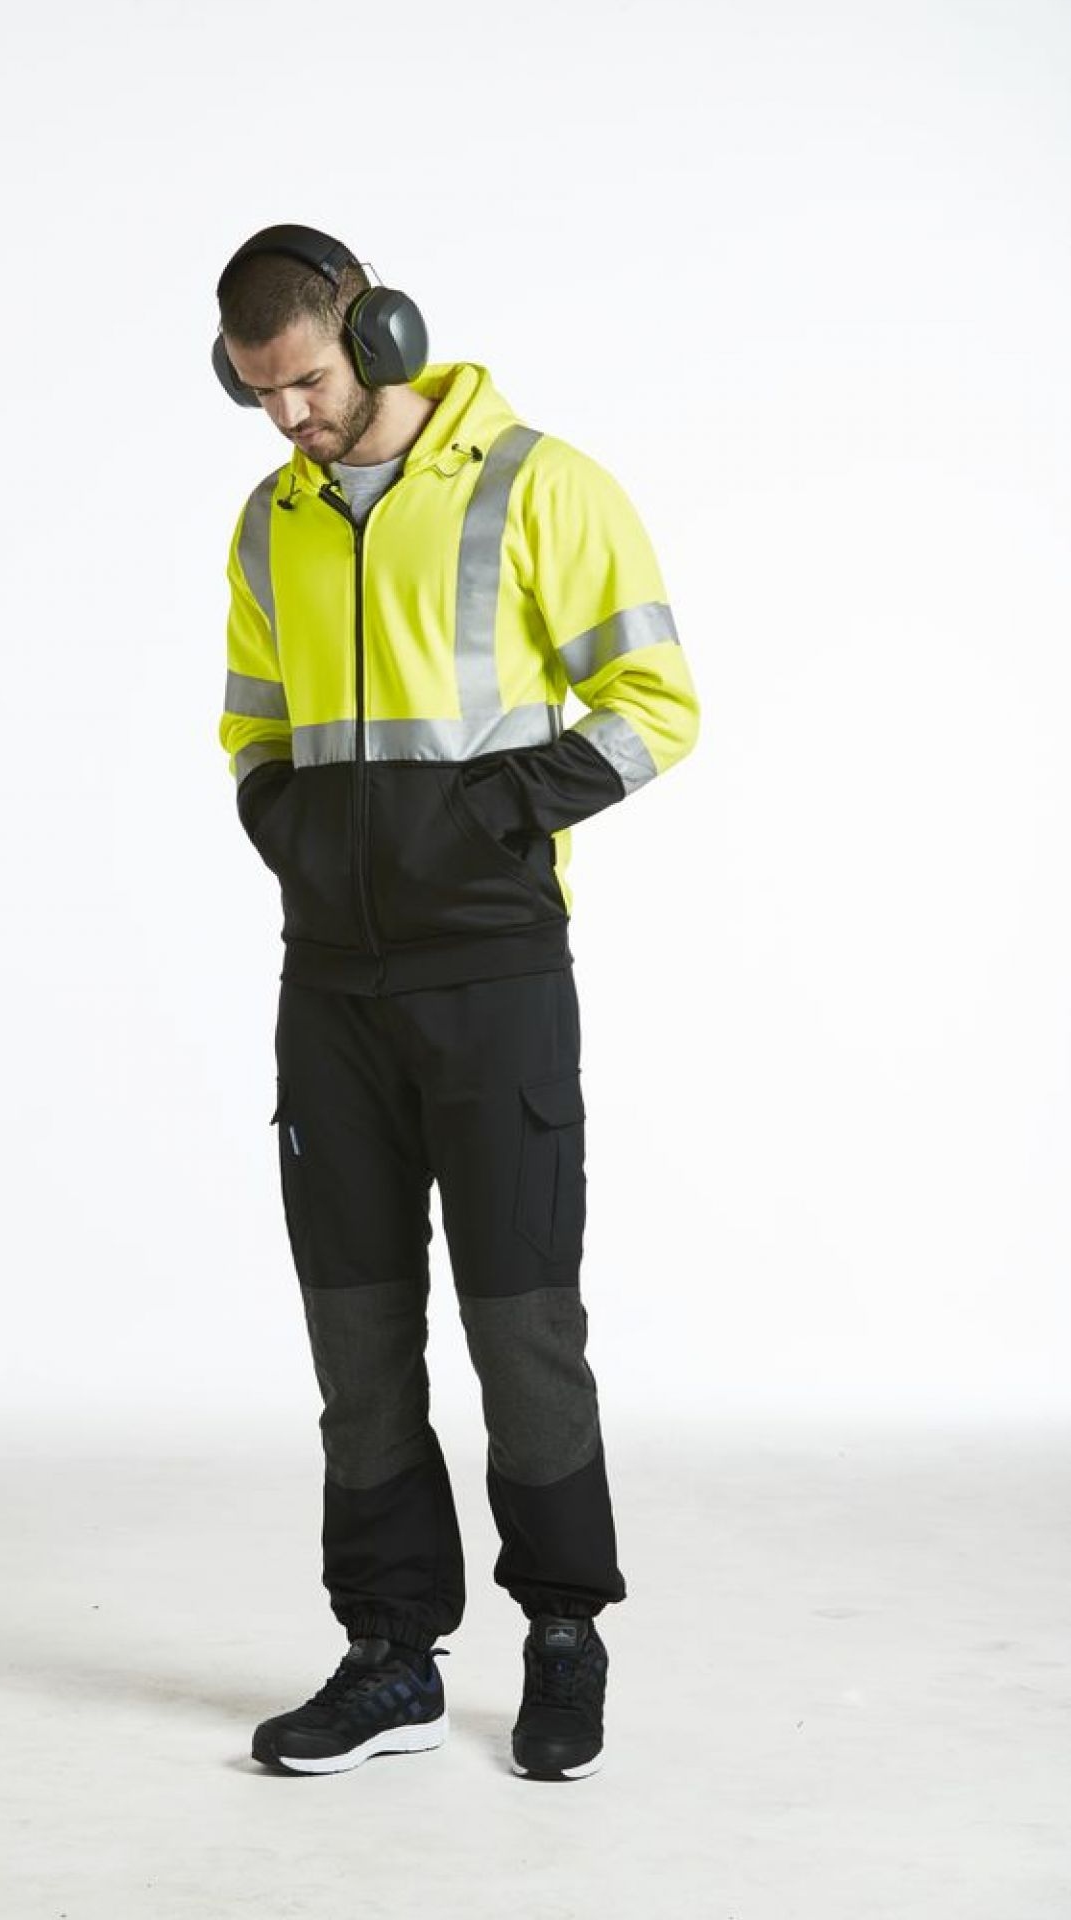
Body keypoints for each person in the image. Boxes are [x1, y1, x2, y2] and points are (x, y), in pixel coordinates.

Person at [213, 223, 700, 1780]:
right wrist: (289, 827)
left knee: (520, 1322)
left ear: (379, 330)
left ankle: (563, 1633)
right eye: (254, 393)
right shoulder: (272, 521)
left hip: (493, 978)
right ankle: (390, 1655)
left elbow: (657, 706)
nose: (287, 416)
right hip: (329, 987)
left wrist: (489, 816)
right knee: (357, 1334)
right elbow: (253, 725)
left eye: (303, 381)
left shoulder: (538, 485)